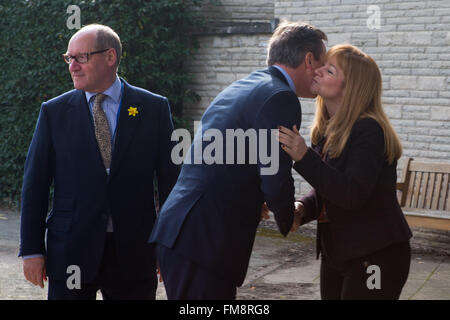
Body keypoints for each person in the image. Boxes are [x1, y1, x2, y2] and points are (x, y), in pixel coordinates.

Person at [149, 21, 327, 299]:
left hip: (186, 234)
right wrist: (288, 215)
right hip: (204, 242)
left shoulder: (245, 86)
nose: (322, 73)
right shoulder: (281, 97)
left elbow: (229, 162)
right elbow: (273, 171)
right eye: (322, 63)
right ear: (308, 59)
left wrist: (255, 200)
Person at [19, 24, 179, 300]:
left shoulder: (153, 108)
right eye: (69, 58)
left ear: (110, 57)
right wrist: (32, 250)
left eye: (82, 57)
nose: (73, 66)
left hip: (134, 253)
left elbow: (172, 185)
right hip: (70, 251)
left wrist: (171, 248)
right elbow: (35, 185)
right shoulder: (54, 113)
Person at [277, 44, 412, 300]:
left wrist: (304, 156)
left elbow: (351, 194)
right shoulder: (328, 130)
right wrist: (301, 208)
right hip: (339, 253)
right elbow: (328, 189)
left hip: (376, 257)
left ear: (350, 88)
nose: (317, 72)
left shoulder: (369, 131)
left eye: (329, 71)